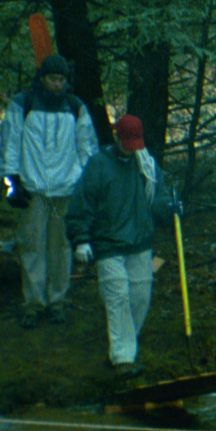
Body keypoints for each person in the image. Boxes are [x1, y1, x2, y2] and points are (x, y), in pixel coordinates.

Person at [66, 115, 175, 379]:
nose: (132, 147)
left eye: (136, 142)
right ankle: (123, 359)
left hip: (140, 243)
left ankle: (123, 347)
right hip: (108, 245)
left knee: (140, 298)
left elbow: (159, 199)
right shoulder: (99, 165)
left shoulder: (145, 163)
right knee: (118, 299)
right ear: (117, 137)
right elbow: (82, 204)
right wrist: (81, 239)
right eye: (127, 141)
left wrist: (172, 208)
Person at [0, 54, 98, 327]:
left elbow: (88, 150)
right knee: (31, 246)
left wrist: (83, 188)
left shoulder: (75, 107)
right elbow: (9, 146)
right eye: (53, 78)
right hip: (33, 188)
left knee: (61, 248)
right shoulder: (23, 104)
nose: (57, 84)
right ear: (43, 78)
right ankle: (33, 303)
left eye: (62, 79)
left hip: (66, 190)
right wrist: (11, 186)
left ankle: (57, 301)